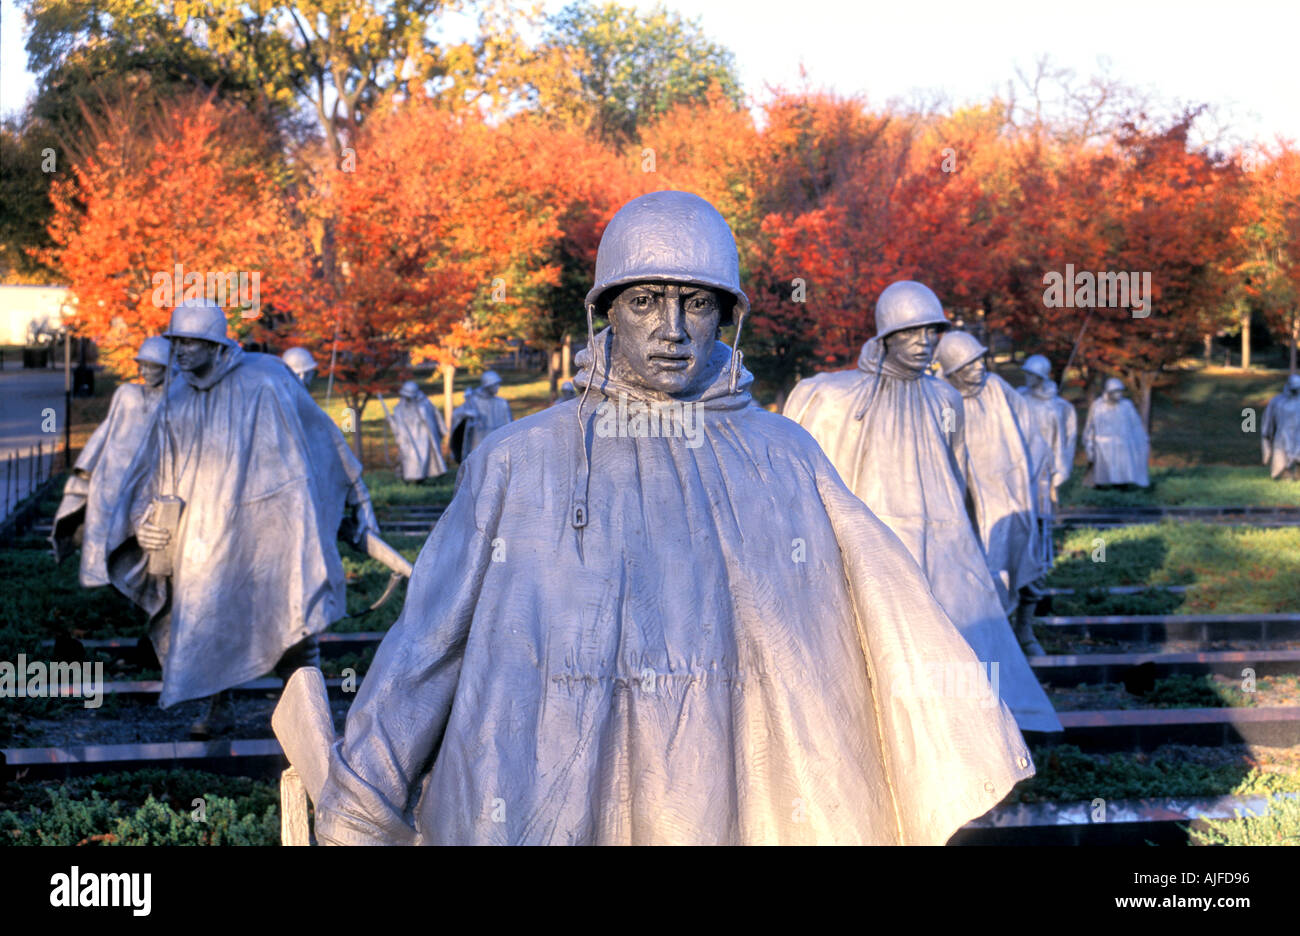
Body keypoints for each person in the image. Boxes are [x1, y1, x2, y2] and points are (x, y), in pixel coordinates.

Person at [311, 191, 1034, 846]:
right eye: (645, 302)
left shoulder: (782, 456)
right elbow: (429, 641)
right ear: (607, 311)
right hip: (561, 795)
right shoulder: (520, 461)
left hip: (735, 797)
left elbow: (881, 623)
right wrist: (363, 797)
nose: (672, 330)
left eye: (696, 303)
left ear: (728, 314)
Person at [783, 281, 1060, 733]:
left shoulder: (944, 397)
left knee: (958, 629)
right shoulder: (841, 396)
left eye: (930, 333)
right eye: (910, 333)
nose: (923, 343)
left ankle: (961, 724)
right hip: (878, 531)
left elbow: (953, 466)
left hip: (944, 533)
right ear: (886, 337)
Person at [106, 302, 377, 736]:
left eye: (191, 342)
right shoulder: (176, 396)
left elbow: (324, 437)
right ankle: (219, 707)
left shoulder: (267, 378)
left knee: (293, 615)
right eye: (176, 341)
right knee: (205, 619)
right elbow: (152, 468)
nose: (180, 351)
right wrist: (144, 520)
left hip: (273, 525)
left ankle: (312, 717)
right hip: (201, 533)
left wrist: (360, 500)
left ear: (216, 345)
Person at [936, 330, 1048, 655]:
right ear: (953, 370)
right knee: (986, 570)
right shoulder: (942, 398)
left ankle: (1026, 633)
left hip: (1014, 492)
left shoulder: (998, 388)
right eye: (969, 364)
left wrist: (1034, 478)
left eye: (980, 360)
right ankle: (998, 643)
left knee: (1026, 561)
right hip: (972, 502)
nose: (979, 368)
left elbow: (1030, 430)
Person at [51, 336, 171, 586]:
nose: (147, 371)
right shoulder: (126, 393)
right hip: (108, 475)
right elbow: (106, 429)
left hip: (141, 479)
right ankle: (96, 580)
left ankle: (129, 583)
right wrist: (86, 466)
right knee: (99, 528)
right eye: (143, 365)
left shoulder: (172, 402)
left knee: (132, 532)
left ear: (167, 367)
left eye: (154, 366)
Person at [1017, 354, 1077, 566]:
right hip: (1020, 466)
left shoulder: (1055, 406)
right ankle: (1023, 558)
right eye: (1026, 374)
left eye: (1032, 375)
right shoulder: (1019, 399)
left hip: (1043, 468)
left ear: (1041, 377)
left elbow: (1061, 442)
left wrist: (1061, 469)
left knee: (1043, 515)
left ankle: (1043, 556)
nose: (1027, 378)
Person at [1082, 377, 1150, 488]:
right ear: (1109, 392)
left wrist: (1142, 439)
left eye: (1120, 391)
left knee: (1122, 469)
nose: (1119, 394)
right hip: (1102, 444)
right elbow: (1090, 426)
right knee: (1103, 470)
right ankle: (1100, 488)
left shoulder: (1126, 405)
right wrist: (1089, 443)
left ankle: (1122, 486)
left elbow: (1136, 424)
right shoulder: (1098, 406)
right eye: (1115, 392)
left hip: (1122, 443)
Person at [387, 380, 447, 482]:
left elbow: (432, 418)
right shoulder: (401, 405)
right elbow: (399, 415)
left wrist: (423, 416)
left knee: (422, 457)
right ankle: (409, 479)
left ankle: (421, 479)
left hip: (422, 434)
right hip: (408, 434)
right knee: (409, 457)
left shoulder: (424, 403)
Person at [449, 370, 511, 461]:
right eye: (495, 385)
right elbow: (456, 415)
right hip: (478, 440)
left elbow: (510, 425)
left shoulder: (502, 403)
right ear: (487, 386)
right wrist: (466, 413)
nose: (498, 387)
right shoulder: (473, 400)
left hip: (497, 442)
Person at [1261, 374, 1300, 481]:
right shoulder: (1278, 402)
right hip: (1282, 439)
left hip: (1298, 439)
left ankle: (1296, 471)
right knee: (1281, 458)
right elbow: (1268, 424)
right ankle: (1284, 473)